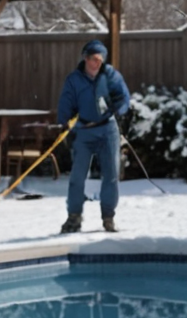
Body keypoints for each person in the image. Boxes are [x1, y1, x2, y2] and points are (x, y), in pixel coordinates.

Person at [56, 39, 131, 233]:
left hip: (108, 131)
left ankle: (108, 217)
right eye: (92, 59)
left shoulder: (110, 75)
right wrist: (66, 127)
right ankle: (74, 218)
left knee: (111, 175)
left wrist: (119, 108)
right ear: (85, 59)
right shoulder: (74, 79)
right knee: (77, 177)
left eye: (99, 59)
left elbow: (124, 98)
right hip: (83, 131)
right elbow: (66, 104)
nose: (95, 63)